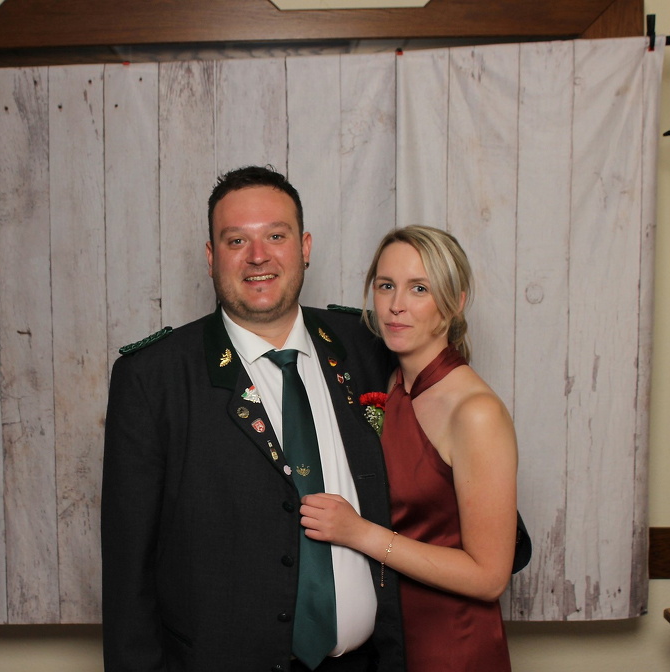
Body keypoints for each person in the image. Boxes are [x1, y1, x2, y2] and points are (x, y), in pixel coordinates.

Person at [101, 166, 406, 672]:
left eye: (276, 236)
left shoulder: (366, 344)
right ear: (211, 257)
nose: (258, 256)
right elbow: (127, 571)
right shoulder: (153, 378)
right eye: (237, 240)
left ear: (305, 247)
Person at [300, 225, 518, 672]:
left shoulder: (475, 412)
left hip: (451, 646)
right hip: (388, 640)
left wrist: (359, 533)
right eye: (386, 286)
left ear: (455, 302)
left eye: (419, 288)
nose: (396, 304)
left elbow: (490, 577)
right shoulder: (387, 382)